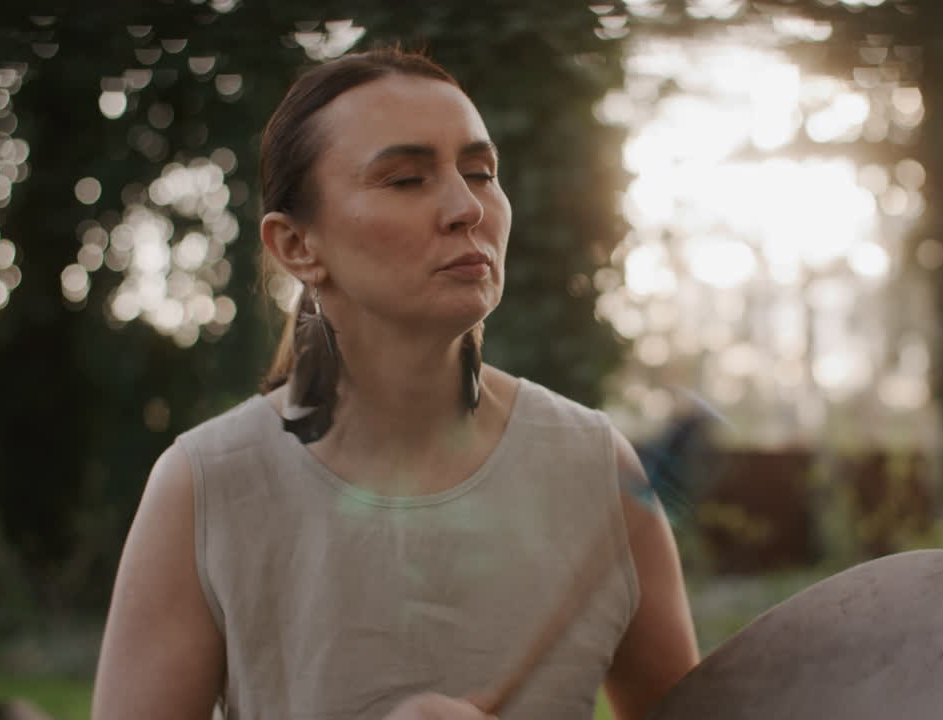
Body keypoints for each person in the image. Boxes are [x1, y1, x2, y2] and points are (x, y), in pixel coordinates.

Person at [92, 47, 698, 720]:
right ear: (296, 246)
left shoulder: (597, 469)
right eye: (407, 179)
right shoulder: (204, 487)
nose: (467, 208)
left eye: (481, 172)